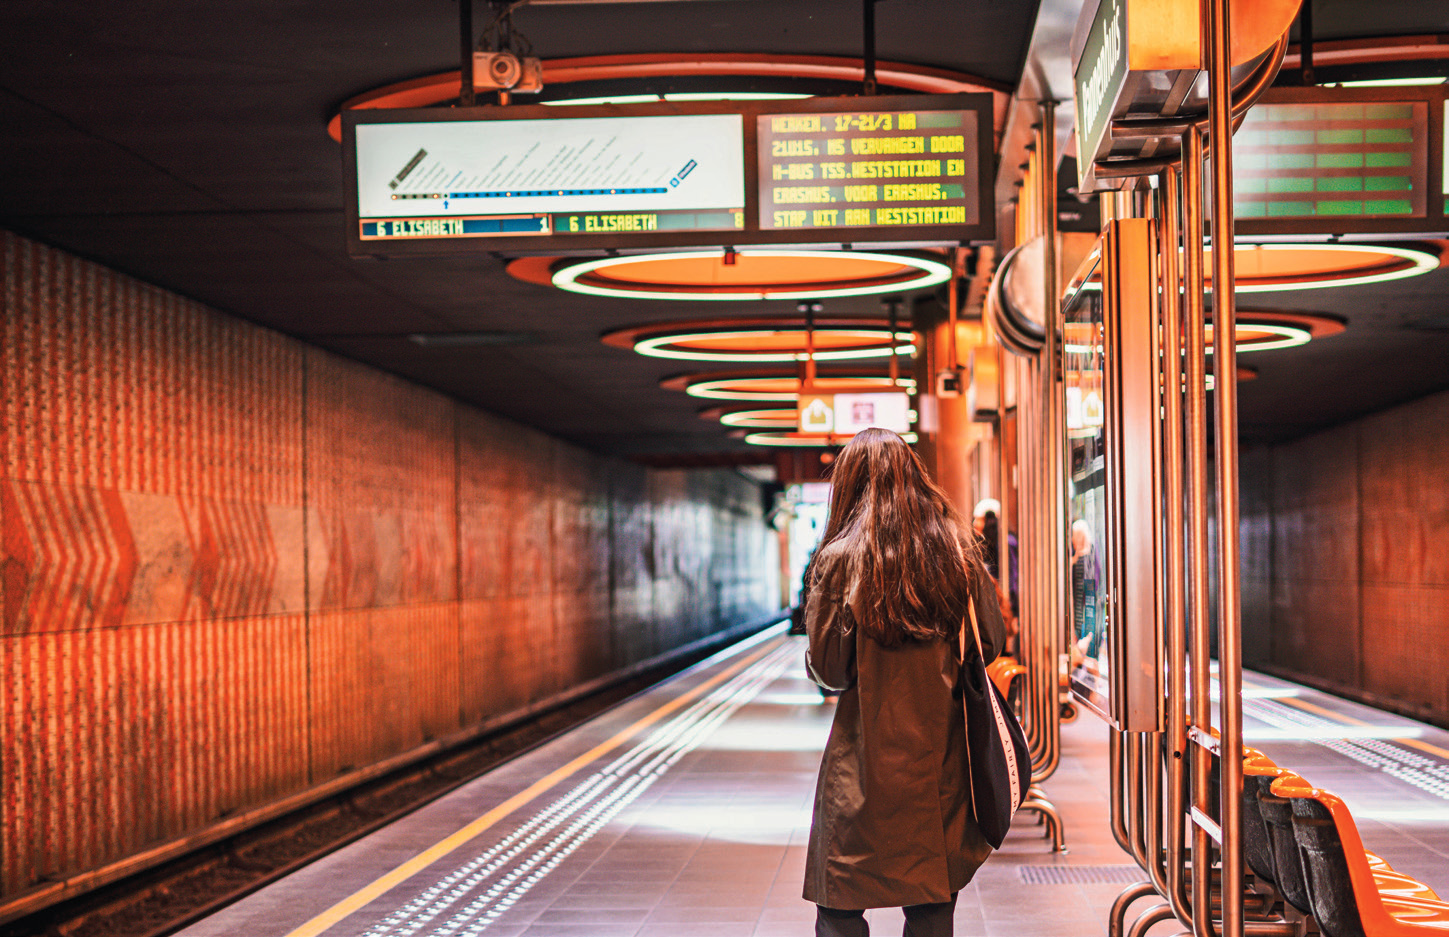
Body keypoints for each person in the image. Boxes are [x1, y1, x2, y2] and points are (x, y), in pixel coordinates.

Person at [802, 428, 1008, 937]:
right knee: (931, 902)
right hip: (942, 759)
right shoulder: (958, 553)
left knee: (841, 906)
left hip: (862, 765)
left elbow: (831, 672)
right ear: (915, 477)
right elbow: (992, 642)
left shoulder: (839, 560)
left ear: (849, 487)